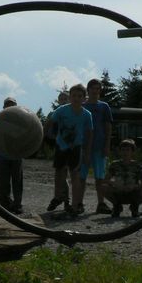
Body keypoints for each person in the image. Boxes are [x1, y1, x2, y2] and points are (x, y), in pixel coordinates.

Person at [44, 84, 93, 218]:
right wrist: (43, 136)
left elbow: (89, 134)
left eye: (79, 96)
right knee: (59, 173)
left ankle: (75, 205)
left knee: (75, 175)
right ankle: (59, 197)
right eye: (74, 96)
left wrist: (87, 152)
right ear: (70, 97)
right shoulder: (61, 110)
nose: (76, 98)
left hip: (76, 148)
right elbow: (49, 123)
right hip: (61, 146)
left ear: (84, 98)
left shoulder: (87, 114)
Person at [78, 78, 113, 215]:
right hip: (83, 146)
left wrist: (107, 145)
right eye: (93, 88)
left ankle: (101, 203)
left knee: (100, 177)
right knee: (81, 176)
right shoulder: (82, 106)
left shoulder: (104, 107)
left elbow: (108, 127)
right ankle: (79, 203)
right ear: (88, 89)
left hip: (99, 145)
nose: (95, 91)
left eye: (98, 88)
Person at [102, 139, 142, 218]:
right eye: (123, 150)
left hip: (133, 192)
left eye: (128, 150)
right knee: (103, 187)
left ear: (132, 152)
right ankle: (117, 206)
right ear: (120, 151)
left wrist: (134, 186)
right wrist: (114, 183)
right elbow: (105, 180)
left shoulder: (137, 165)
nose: (125, 152)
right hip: (119, 192)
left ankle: (134, 206)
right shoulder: (114, 164)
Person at [0, 97, 24, 214]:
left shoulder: (21, 119)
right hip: (2, 156)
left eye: (12, 104)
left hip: (17, 156)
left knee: (17, 182)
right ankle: (5, 206)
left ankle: (17, 205)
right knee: (4, 183)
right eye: (8, 104)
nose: (10, 106)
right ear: (4, 107)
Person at [43, 90, 70, 209]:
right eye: (61, 99)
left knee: (64, 173)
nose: (63, 101)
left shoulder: (72, 112)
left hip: (70, 147)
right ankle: (62, 198)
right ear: (58, 101)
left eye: (65, 99)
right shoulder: (54, 113)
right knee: (60, 173)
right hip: (58, 146)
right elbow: (48, 130)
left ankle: (64, 199)